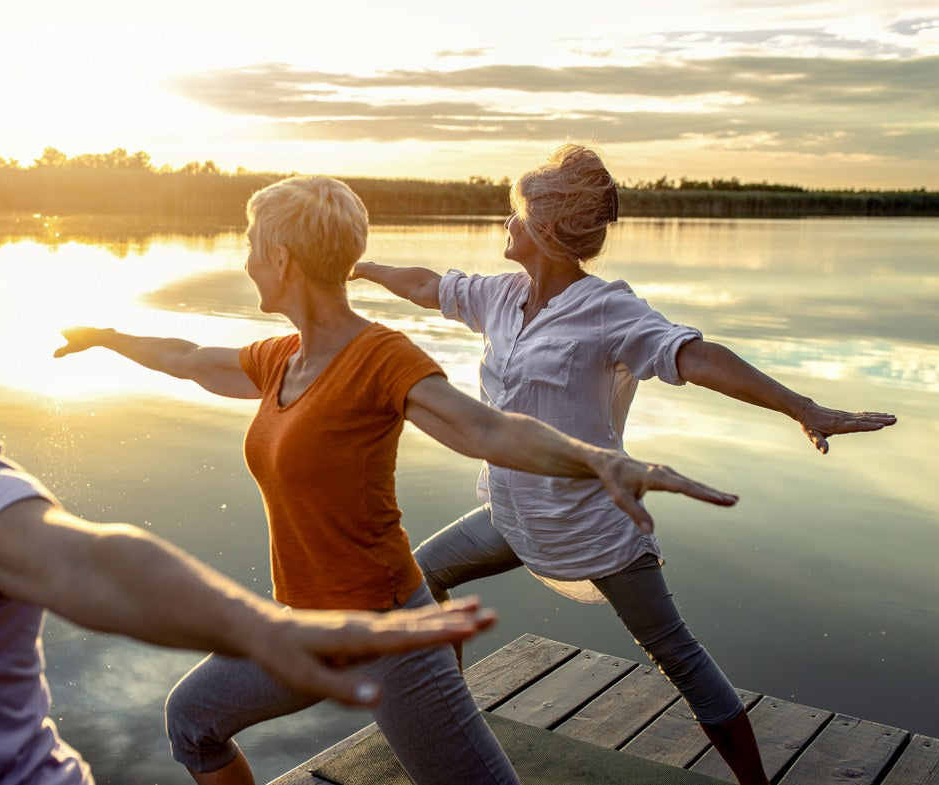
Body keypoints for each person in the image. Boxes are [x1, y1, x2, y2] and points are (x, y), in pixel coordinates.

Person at [0, 203, 512, 785]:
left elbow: (97, 562)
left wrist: (259, 626)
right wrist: (113, 336)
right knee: (196, 717)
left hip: (380, 617)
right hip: (331, 616)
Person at [54, 175, 740, 785]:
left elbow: (487, 429)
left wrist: (600, 461)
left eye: (251, 245)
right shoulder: (281, 359)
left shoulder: (379, 355)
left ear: (282, 259)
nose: (244, 260)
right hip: (308, 625)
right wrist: (109, 336)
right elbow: (188, 357)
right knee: (193, 720)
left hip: (388, 631)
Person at [350, 143, 898, 785]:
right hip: (510, 512)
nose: (505, 225)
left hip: (594, 527)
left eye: (515, 215)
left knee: (679, 658)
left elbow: (695, 356)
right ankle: (450, 731)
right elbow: (425, 285)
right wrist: (358, 266)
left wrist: (803, 406)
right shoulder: (499, 297)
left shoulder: (608, 309)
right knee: (419, 582)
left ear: (545, 230)